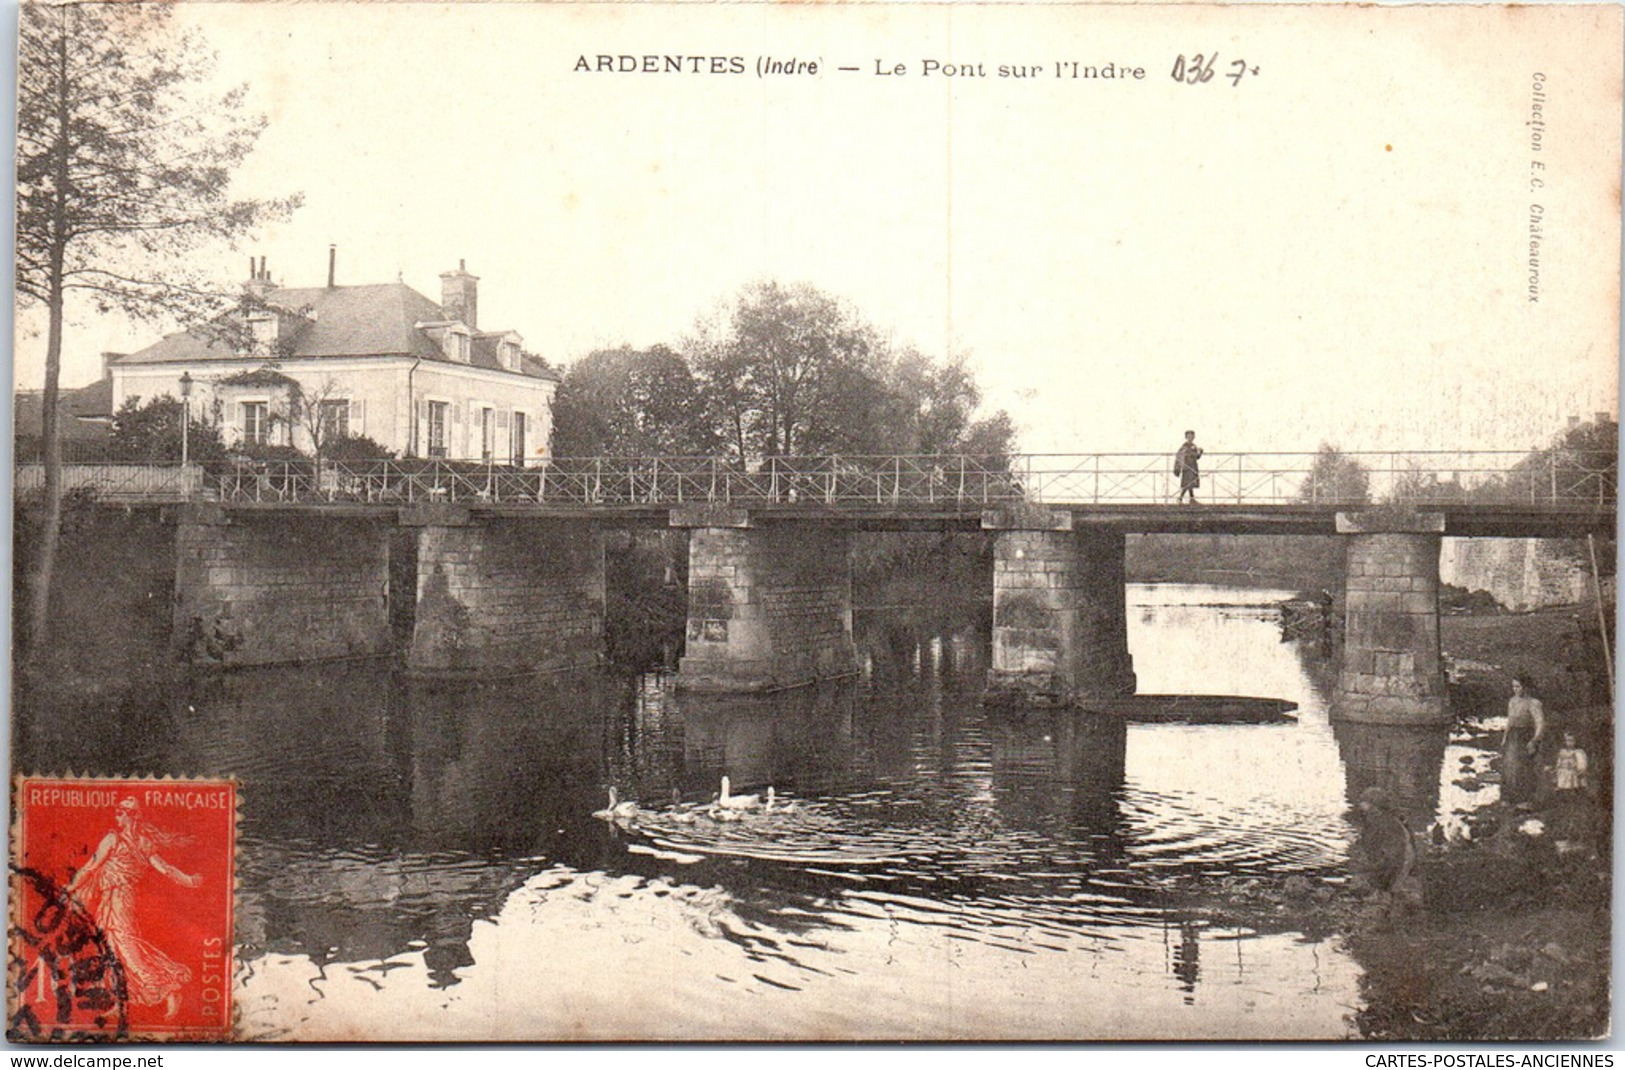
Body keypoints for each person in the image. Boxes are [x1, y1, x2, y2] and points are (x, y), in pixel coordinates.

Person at [64, 798, 201, 1019]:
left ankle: (169, 989)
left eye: (121, 813)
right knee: (111, 953)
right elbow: (93, 865)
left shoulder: (121, 840)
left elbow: (163, 868)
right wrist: (189, 880)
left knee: (128, 951)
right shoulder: (127, 840)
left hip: (121, 900)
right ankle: (121, 1001)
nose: (117, 816)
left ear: (131, 815)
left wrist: (190, 881)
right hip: (110, 900)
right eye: (117, 812)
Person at [1500, 674, 1547, 807]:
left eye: (1518, 686)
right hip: (1512, 736)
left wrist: (1535, 739)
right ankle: (1508, 798)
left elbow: (1540, 723)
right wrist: (1504, 738)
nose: (1515, 689)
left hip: (1525, 736)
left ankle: (1525, 800)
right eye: (1513, 686)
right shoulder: (1512, 701)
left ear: (1525, 687)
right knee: (1509, 767)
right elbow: (1509, 721)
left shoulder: (1533, 703)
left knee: (1524, 768)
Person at [1552, 731, 1590, 847]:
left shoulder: (1579, 753)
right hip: (1562, 780)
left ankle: (1574, 833)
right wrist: (1556, 773)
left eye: (1572, 740)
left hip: (1573, 781)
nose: (1569, 743)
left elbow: (1582, 767)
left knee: (1573, 806)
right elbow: (1559, 765)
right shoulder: (1562, 752)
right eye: (1567, 740)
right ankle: (1563, 832)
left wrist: (1577, 771)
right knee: (1563, 806)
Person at [1173, 430, 1203, 504]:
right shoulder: (1185, 446)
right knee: (1188, 483)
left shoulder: (1194, 446)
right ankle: (1182, 498)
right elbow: (1183, 455)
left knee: (1190, 482)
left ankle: (1189, 498)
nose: (1190, 438)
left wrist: (1200, 453)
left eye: (1192, 436)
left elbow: (1196, 457)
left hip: (1193, 466)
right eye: (1189, 436)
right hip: (1187, 466)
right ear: (1186, 437)